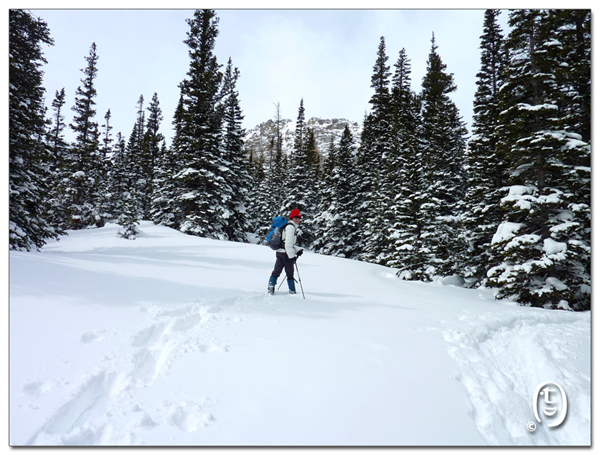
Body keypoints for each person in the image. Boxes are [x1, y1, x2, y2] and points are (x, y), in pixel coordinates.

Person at [268, 208, 304, 295]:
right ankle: (292, 291)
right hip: (286, 254)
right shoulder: (291, 227)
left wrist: (297, 250)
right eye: (295, 217)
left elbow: (286, 243)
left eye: (298, 218)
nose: (297, 219)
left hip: (280, 252)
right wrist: (292, 256)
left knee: (277, 270)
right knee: (290, 273)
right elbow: (288, 244)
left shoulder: (287, 226)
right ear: (292, 218)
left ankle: (270, 287)